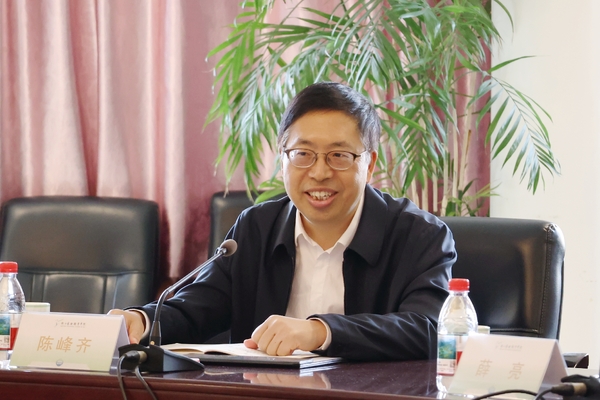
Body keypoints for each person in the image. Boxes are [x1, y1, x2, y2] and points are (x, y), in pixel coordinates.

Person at [109, 82, 455, 361]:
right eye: (303, 154)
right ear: (283, 159)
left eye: (339, 155)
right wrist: (142, 320)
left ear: (369, 163)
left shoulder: (420, 235)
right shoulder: (256, 228)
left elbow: (430, 328)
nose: (319, 172)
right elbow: (197, 307)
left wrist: (320, 332)